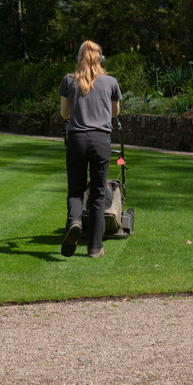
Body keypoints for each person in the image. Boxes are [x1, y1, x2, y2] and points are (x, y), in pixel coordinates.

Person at [58, 40, 122, 258]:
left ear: (78, 60)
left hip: (76, 140)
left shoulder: (68, 81)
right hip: (100, 140)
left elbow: (64, 114)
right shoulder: (111, 82)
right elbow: (114, 113)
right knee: (97, 193)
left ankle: (75, 222)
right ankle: (95, 247)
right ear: (101, 60)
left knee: (75, 190)